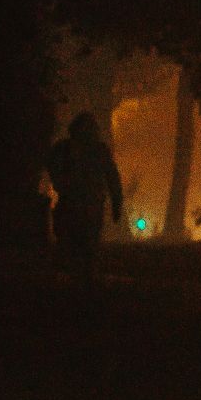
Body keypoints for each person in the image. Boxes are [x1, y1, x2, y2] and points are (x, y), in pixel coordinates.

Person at [46, 112, 122, 285]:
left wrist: (117, 202)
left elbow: (112, 177)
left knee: (80, 244)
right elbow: (112, 177)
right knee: (79, 244)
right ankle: (79, 280)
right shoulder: (72, 149)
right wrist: (116, 202)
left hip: (82, 204)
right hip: (80, 204)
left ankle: (78, 280)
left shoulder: (75, 149)